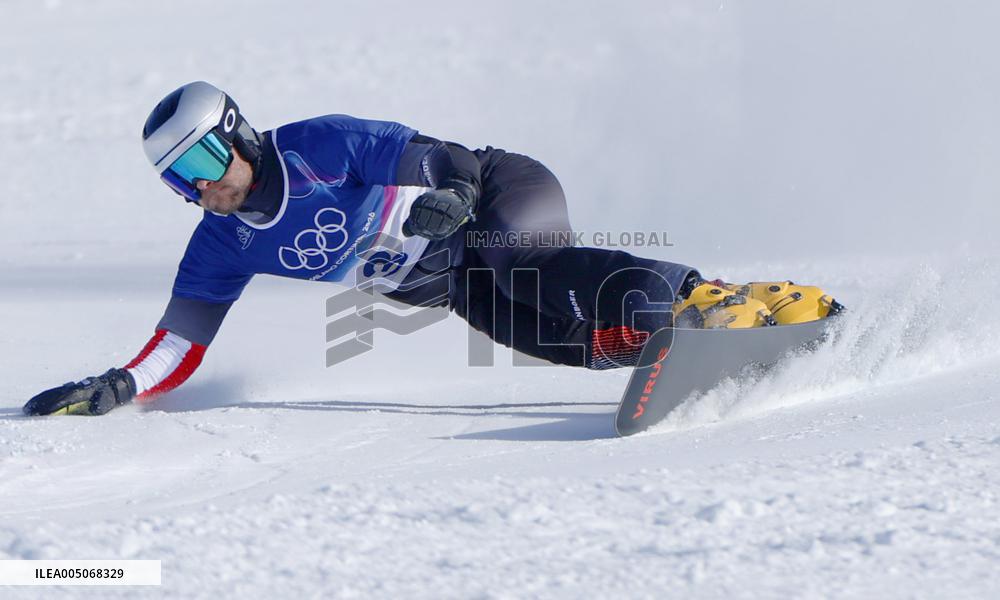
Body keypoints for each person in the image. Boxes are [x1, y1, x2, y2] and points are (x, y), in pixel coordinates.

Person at [23, 81, 842, 416]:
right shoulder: (221, 244)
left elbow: (432, 155)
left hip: (496, 195)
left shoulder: (318, 145)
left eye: (202, 161)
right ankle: (724, 350)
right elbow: (179, 342)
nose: (201, 188)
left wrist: (449, 193)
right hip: (453, 284)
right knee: (570, 341)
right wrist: (117, 387)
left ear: (234, 131)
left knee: (524, 262)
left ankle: (714, 300)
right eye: (178, 181)